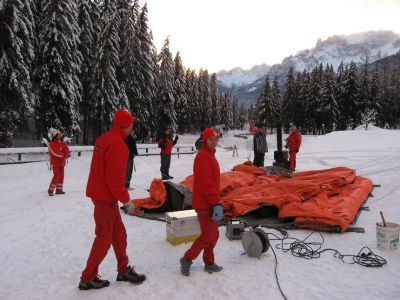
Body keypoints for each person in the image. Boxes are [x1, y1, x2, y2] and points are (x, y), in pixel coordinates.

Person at [79, 109, 146, 290]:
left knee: (119, 234)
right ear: (126, 125)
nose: (133, 127)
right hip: (104, 197)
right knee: (104, 239)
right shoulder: (119, 145)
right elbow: (114, 180)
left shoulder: (104, 138)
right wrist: (128, 202)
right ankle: (87, 277)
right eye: (131, 124)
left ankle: (123, 269)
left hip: (102, 195)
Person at [180, 128, 223, 276]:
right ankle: (187, 258)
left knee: (213, 234)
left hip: (210, 202)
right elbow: (206, 184)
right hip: (206, 204)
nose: (214, 142)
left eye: (216, 139)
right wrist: (216, 202)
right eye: (211, 139)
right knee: (208, 236)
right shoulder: (203, 156)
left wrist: (216, 201)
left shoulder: (209, 155)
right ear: (205, 140)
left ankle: (209, 262)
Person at [47, 128, 70, 196]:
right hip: (56, 163)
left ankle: (59, 190)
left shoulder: (62, 143)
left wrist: (68, 154)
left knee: (61, 176)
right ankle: (50, 190)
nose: (60, 135)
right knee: (56, 176)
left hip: (62, 163)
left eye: (60, 134)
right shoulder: (52, 144)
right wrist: (63, 155)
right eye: (59, 134)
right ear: (55, 135)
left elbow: (66, 149)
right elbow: (55, 153)